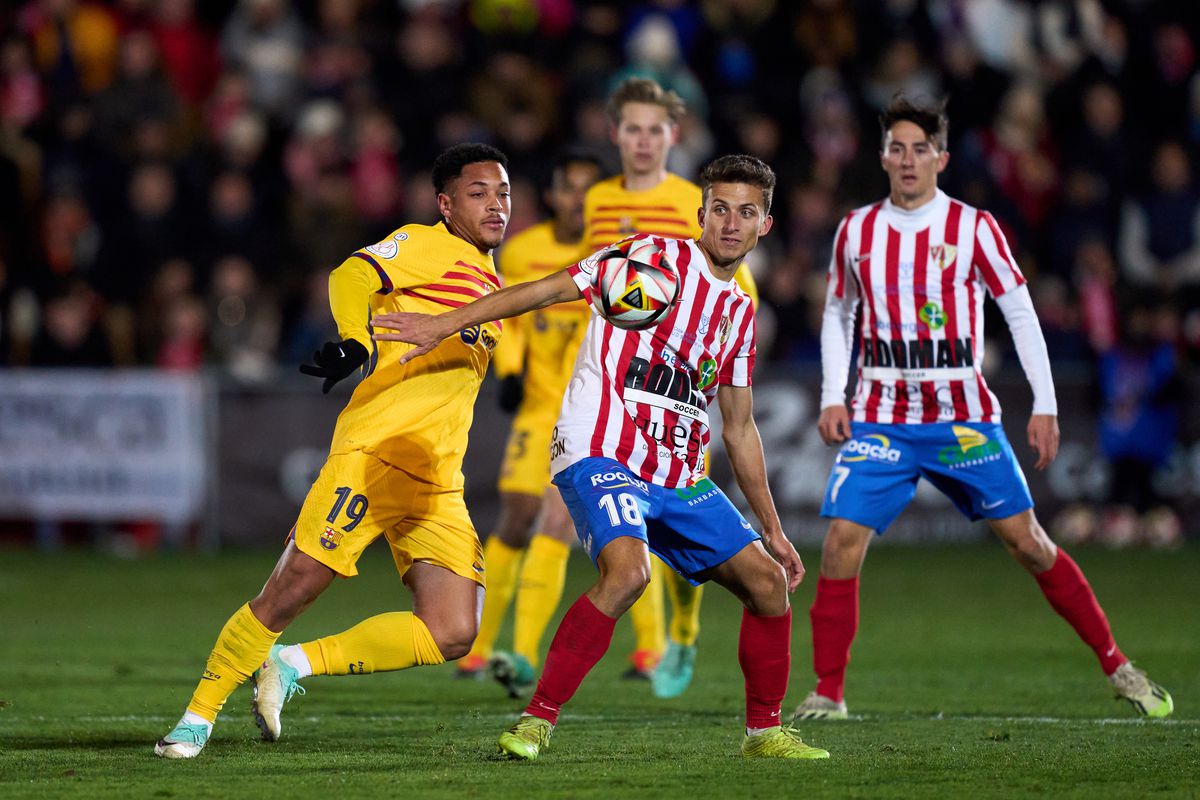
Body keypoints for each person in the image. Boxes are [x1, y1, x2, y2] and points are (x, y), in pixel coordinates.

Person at [375, 154, 830, 761]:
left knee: (770, 586)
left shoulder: (739, 314)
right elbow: (544, 290)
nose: (730, 223)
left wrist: (772, 530)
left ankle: (764, 733)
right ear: (701, 214)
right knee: (629, 574)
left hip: (678, 474)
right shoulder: (651, 259)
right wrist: (445, 324)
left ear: (764, 226)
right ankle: (536, 721)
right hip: (600, 451)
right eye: (720, 208)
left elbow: (741, 427)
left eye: (746, 212)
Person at [793, 95, 1174, 722]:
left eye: (922, 148)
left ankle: (1117, 665)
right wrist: (836, 392)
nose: (909, 159)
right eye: (898, 147)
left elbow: (1020, 313)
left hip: (962, 417)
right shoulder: (856, 230)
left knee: (1028, 544)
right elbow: (838, 311)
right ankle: (828, 692)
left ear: (941, 157)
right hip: (883, 416)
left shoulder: (974, 228)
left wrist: (1045, 404)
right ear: (883, 155)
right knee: (838, 544)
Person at [153, 143, 513, 758]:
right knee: (292, 588)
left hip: (435, 481)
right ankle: (196, 717)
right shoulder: (426, 245)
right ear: (445, 204)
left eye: (503, 192)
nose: (496, 205)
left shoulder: (490, 280)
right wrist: (353, 341)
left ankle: (291, 663)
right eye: (478, 193)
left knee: (454, 630)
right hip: (373, 455)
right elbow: (350, 273)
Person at [584, 76, 759, 697]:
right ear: (616, 135)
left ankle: (681, 636)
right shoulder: (598, 200)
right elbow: (596, 284)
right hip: (612, 388)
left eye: (653, 129)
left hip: (681, 391)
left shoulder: (700, 198)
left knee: (686, 528)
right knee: (607, 537)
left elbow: (731, 294)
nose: (641, 139)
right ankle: (650, 647)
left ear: (671, 136)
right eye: (631, 127)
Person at [456, 151, 604, 696]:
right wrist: (512, 368)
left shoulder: (612, 253)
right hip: (538, 409)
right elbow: (505, 310)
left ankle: (519, 652)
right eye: (572, 188)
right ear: (554, 195)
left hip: (589, 412)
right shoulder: (522, 251)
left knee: (557, 524)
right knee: (517, 517)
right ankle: (477, 644)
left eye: (592, 190)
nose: (580, 200)